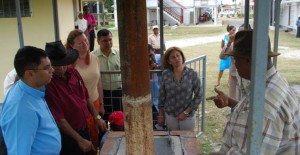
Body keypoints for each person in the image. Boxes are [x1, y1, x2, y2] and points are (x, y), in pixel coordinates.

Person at [207, 30, 300, 154]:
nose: (235, 64)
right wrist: (229, 101)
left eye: (236, 59)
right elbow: (250, 111)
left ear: (248, 60)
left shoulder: (266, 106)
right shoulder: (268, 83)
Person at [1, 46, 61, 154]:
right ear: (30, 74)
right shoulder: (20, 108)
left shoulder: (33, 89)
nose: (52, 70)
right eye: (47, 68)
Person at [65, 29, 104, 154]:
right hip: (78, 108)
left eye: (86, 40)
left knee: (95, 136)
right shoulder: (67, 64)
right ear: (71, 45)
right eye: (80, 42)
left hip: (95, 103)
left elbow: (98, 82)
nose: (85, 44)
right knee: (84, 139)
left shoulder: (95, 58)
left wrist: (101, 104)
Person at [157, 46, 202, 130]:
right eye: (173, 57)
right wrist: (161, 114)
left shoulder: (192, 74)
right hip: (170, 114)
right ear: (169, 61)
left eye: (178, 55)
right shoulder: (165, 74)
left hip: (187, 116)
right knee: (173, 140)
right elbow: (161, 95)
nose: (176, 58)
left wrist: (186, 112)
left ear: (182, 57)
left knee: (186, 140)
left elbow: (199, 95)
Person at [92, 29, 122, 121]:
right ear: (98, 41)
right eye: (105, 40)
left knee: (120, 119)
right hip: (102, 94)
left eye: (110, 40)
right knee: (103, 118)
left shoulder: (119, 54)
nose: (108, 42)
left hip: (118, 92)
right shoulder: (92, 56)